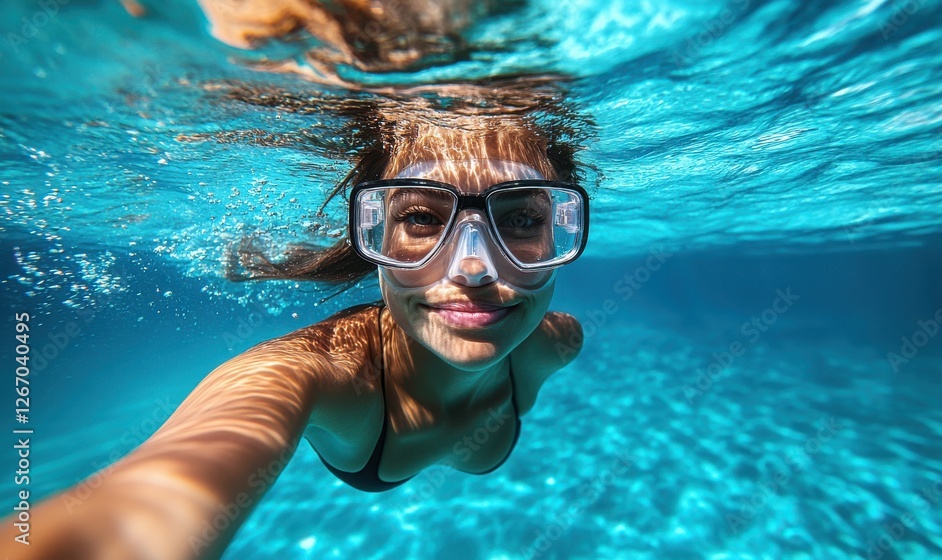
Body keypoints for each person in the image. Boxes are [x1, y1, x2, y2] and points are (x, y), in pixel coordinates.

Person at [1, 80, 592, 559]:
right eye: (420, 218)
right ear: (372, 236)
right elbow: (128, 518)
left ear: (559, 231)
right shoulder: (316, 375)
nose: (471, 268)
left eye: (520, 221)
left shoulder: (556, 343)